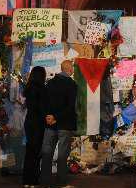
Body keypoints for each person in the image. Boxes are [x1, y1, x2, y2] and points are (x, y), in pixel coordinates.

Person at [41, 60, 77, 188]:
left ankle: (45, 181)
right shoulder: (71, 84)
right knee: (62, 155)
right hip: (65, 125)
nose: (72, 70)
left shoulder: (50, 83)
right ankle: (61, 182)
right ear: (69, 69)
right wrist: (56, 117)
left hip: (49, 124)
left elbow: (44, 103)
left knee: (46, 153)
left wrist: (49, 117)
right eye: (72, 67)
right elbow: (70, 107)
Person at [23, 66, 47, 187]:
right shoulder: (41, 89)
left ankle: (27, 180)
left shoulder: (28, 88)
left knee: (29, 152)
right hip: (38, 123)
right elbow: (42, 108)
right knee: (36, 152)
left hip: (29, 121)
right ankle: (33, 180)